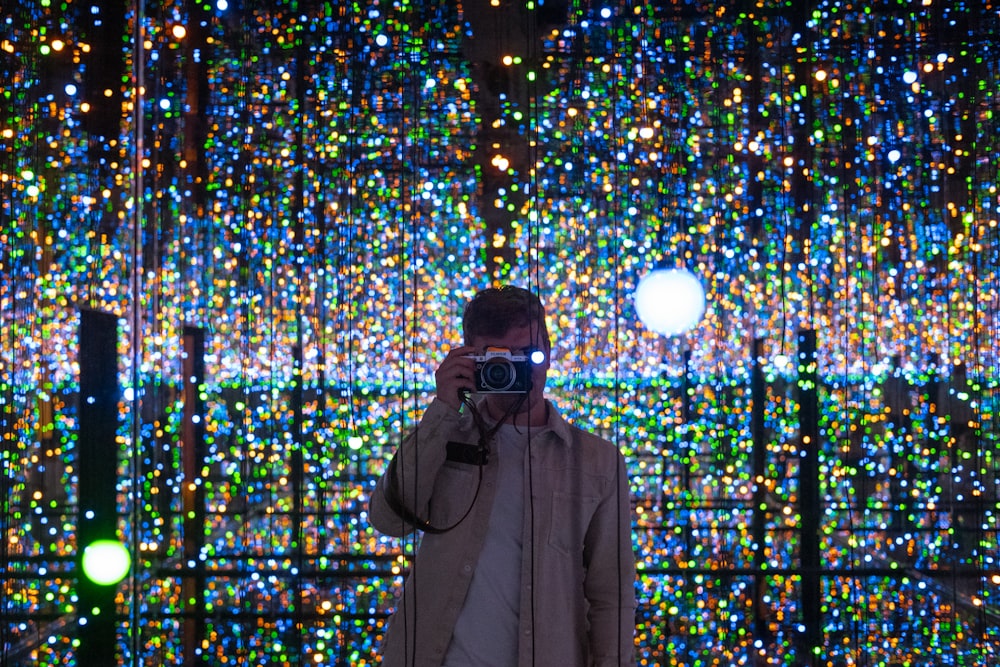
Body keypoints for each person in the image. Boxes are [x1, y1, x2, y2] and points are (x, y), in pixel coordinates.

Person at [368, 285, 637, 667]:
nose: (520, 369)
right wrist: (443, 407)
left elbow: (612, 590)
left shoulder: (597, 462)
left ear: (549, 350)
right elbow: (388, 520)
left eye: (530, 354)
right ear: (472, 357)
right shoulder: (443, 437)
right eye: (500, 357)